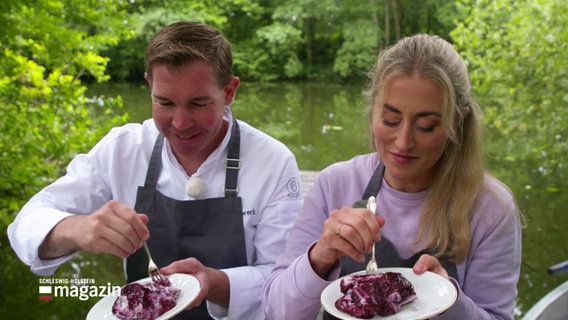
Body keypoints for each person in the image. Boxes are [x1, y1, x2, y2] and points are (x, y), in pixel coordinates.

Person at [8, 21, 303, 319]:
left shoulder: (272, 162)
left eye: (198, 103)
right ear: (149, 84)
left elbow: (286, 281)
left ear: (229, 91)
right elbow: (26, 224)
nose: (180, 123)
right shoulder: (123, 148)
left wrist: (213, 283)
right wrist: (76, 228)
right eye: (164, 102)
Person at [262, 34, 522, 319]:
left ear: (456, 123)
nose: (403, 141)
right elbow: (277, 311)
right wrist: (319, 257)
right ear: (373, 110)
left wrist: (449, 302)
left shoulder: (491, 208)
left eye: (426, 126)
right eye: (391, 120)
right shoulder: (335, 184)